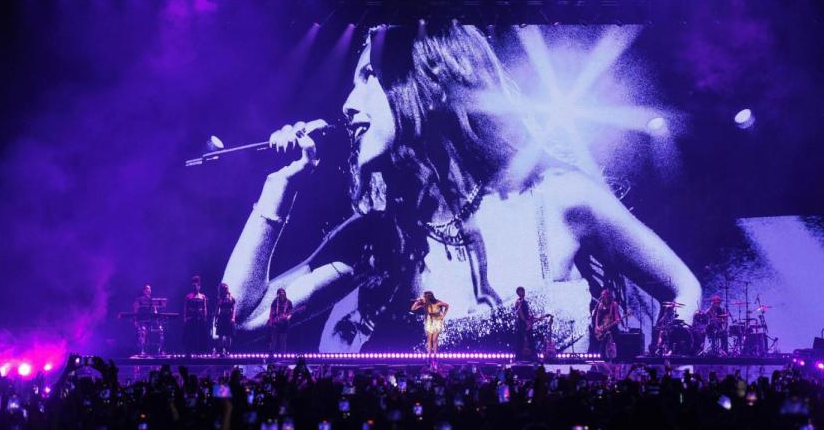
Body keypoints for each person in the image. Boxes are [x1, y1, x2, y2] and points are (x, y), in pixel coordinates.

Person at [222, 23, 701, 351]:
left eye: (367, 78)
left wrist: (663, 358)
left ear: (422, 79)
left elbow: (683, 287)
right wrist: (277, 191)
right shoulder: (384, 236)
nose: (348, 105)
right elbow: (239, 321)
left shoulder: (556, 198)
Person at [592, 289, 622, 360]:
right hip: (602, 326)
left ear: (608, 296)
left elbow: (616, 314)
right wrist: (597, 326)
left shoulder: (613, 304)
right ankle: (602, 358)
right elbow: (597, 316)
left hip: (612, 325)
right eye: (602, 295)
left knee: (616, 339)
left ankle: (617, 358)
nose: (604, 297)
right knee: (603, 341)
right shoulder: (600, 305)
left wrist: (617, 320)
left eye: (605, 295)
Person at [133, 284, 163, 355]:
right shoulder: (139, 299)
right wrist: (135, 320)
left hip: (150, 320)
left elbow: (155, 310)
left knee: (155, 332)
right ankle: (141, 350)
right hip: (141, 320)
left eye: (150, 289)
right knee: (143, 332)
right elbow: (135, 309)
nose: (149, 290)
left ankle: (155, 350)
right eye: (147, 289)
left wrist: (156, 315)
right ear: (144, 291)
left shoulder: (152, 300)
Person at [183, 276, 208, 355]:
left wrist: (205, 316)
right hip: (191, 318)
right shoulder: (188, 296)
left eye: (196, 286)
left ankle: (199, 352)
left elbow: (204, 307)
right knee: (190, 335)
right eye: (193, 286)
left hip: (199, 318)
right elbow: (185, 308)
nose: (194, 288)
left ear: (199, 287)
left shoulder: (202, 296)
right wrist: (185, 318)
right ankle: (189, 352)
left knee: (199, 335)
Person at [268, 288, 294, 353]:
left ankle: (282, 355)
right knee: (273, 339)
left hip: (284, 324)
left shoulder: (288, 302)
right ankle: (271, 355)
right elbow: (271, 312)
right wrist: (271, 321)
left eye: (283, 293)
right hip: (276, 323)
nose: (282, 295)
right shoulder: (275, 302)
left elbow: (290, 314)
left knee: (283, 340)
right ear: (278, 295)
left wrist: (287, 317)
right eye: (280, 293)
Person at [214, 283, 236, 356]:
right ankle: (220, 351)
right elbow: (217, 310)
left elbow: (234, 309)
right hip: (221, 317)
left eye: (226, 288)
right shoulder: (219, 299)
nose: (226, 289)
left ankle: (227, 350)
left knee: (228, 335)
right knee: (220, 335)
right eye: (224, 288)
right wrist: (215, 320)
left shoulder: (231, 298)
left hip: (229, 318)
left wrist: (233, 318)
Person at [513, 286, 535, 358]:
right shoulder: (518, 301)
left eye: (523, 291)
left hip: (526, 323)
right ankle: (518, 358)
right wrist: (526, 322)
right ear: (518, 293)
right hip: (521, 324)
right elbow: (520, 313)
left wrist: (533, 318)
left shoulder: (525, 302)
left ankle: (533, 357)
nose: (523, 292)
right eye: (521, 291)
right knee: (521, 341)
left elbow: (527, 314)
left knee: (530, 340)